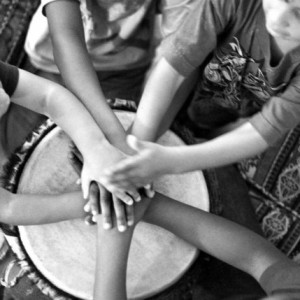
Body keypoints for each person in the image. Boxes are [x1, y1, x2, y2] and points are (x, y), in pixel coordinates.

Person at [100, 0, 300, 190]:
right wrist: (137, 145)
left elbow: (262, 130)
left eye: (299, 14)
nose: (279, 18)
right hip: (186, 95)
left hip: (239, 122)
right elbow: (172, 69)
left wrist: (174, 162)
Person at [93, 190, 300, 300]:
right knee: (220, 177)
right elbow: (257, 258)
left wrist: (112, 234)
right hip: (238, 286)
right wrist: (150, 205)